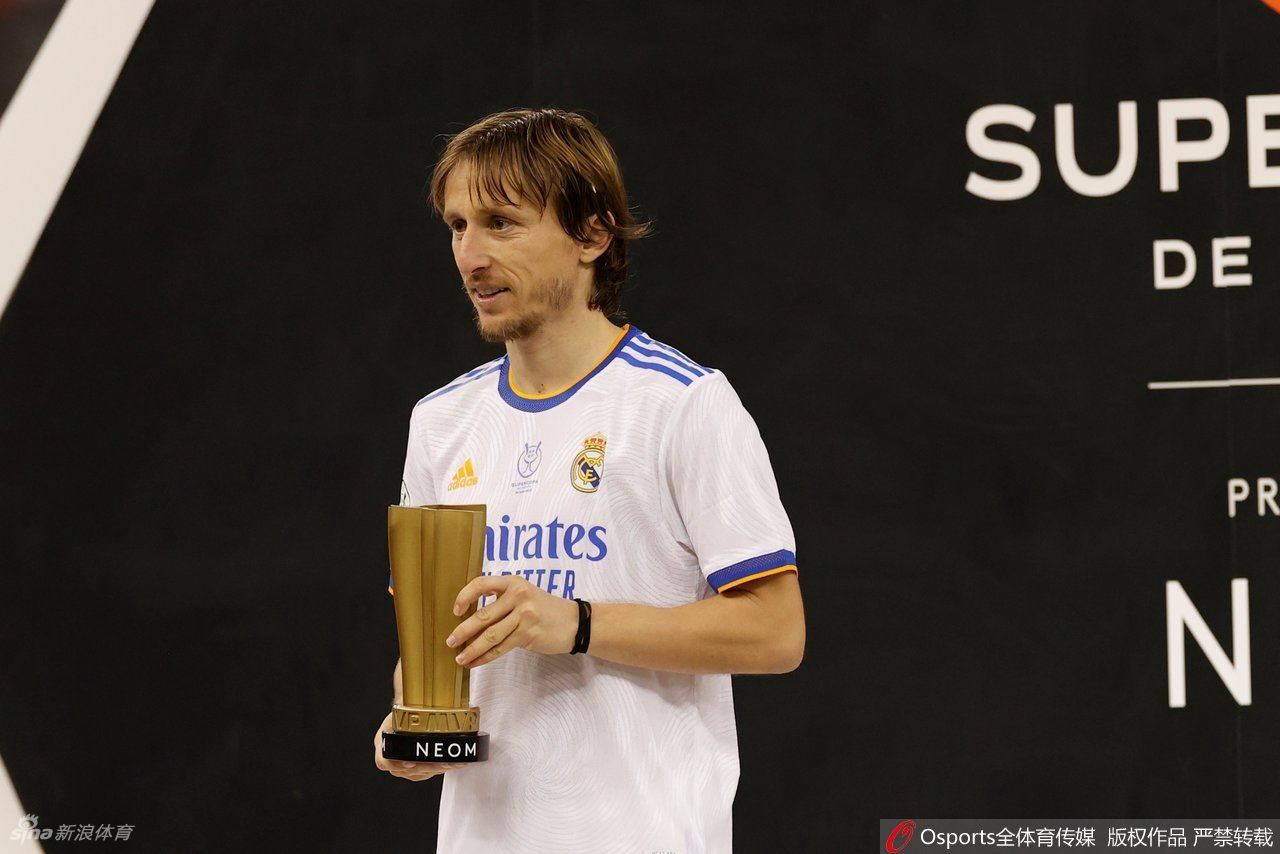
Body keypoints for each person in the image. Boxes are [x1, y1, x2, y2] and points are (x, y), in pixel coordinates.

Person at [371, 107, 805, 854]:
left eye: (501, 224)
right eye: (457, 226)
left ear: (593, 235)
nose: (470, 256)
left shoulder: (683, 403)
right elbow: (429, 646)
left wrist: (577, 624)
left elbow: (776, 631)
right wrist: (413, 724)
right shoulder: (440, 421)